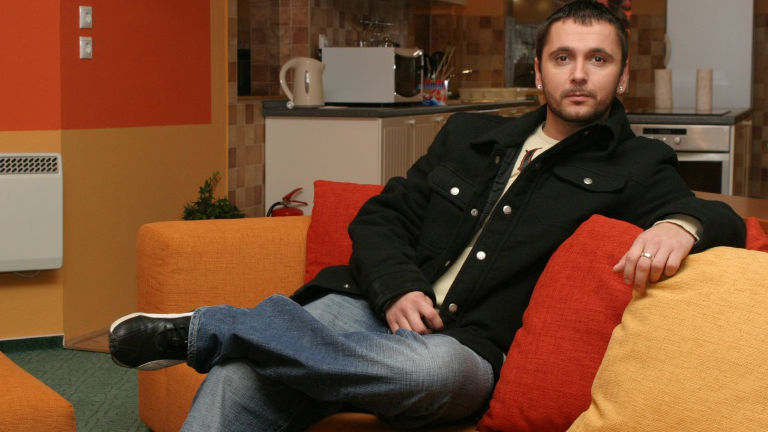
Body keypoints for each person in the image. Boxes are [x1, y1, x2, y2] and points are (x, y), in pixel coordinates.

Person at [109, 1, 746, 431]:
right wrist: (397, 289)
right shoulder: (469, 136)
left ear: (623, 75)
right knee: (240, 375)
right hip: (366, 303)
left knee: (432, 369)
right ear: (539, 71)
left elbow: (723, 220)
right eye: (563, 58)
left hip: (461, 349)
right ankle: (256, 344)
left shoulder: (638, 164)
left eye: (598, 60)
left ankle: (216, 327)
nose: (579, 75)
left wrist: (678, 226)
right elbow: (380, 219)